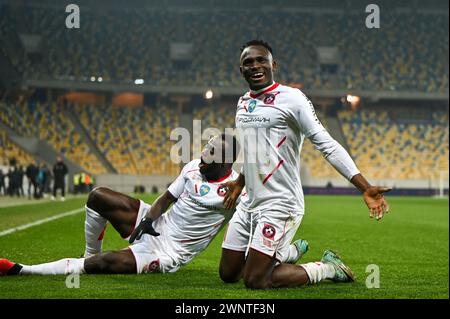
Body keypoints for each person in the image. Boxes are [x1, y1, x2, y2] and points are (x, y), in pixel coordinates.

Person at [0, 134, 307, 276]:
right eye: (204, 149)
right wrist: (149, 219)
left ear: (226, 163)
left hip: (167, 251)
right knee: (97, 196)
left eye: (210, 154)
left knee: (104, 264)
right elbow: (167, 198)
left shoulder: (234, 192)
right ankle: (87, 252)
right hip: (155, 222)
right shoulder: (191, 168)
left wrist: (286, 248)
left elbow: (255, 221)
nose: (202, 156)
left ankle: (21, 271)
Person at [219, 40, 391, 289]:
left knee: (256, 280)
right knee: (229, 274)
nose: (255, 66)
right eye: (248, 62)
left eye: (261, 60)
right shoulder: (243, 102)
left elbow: (326, 144)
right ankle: (286, 253)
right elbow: (253, 150)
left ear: (272, 65)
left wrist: (364, 186)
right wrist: (239, 182)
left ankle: (327, 267)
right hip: (249, 203)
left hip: (280, 203)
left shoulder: (292, 98)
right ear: (241, 69)